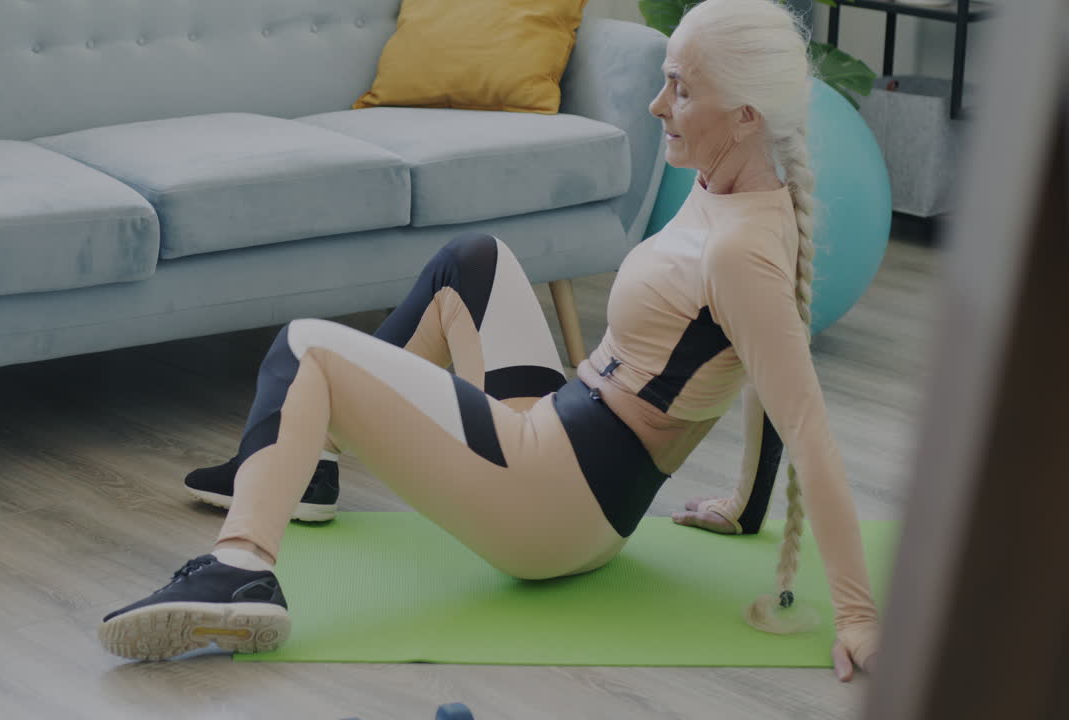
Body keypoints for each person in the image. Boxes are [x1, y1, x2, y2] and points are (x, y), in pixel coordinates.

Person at [99, 0, 880, 682]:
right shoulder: (729, 186)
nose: (655, 104)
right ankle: (301, 463)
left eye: (681, 88)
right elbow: (763, 366)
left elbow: (805, 420)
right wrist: (744, 509)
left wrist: (856, 615)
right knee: (470, 261)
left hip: (555, 503)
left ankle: (241, 571)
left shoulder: (740, 250)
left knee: (307, 347)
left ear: (746, 114)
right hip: (566, 446)